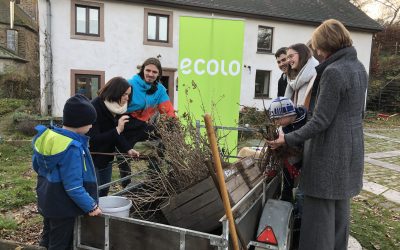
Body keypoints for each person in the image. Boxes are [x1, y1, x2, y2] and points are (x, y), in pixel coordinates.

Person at [267, 19, 368, 250]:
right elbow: (356, 112)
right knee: (339, 218)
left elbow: (321, 120)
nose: (318, 52)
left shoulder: (333, 72)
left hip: (328, 156)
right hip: (350, 153)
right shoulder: (359, 67)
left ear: (328, 43)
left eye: (319, 46)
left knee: (318, 223)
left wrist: (288, 138)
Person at [32, 94, 102, 250]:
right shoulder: (72, 148)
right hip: (63, 206)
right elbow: (73, 186)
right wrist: (91, 206)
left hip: (47, 198)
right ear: (80, 123)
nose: (91, 126)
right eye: (90, 123)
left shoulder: (48, 137)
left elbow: (36, 166)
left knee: (48, 235)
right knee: (61, 243)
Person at [119, 57, 176, 187]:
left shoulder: (160, 90)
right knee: (122, 153)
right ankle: (125, 185)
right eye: (148, 70)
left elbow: (168, 111)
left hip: (143, 125)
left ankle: (154, 173)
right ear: (142, 70)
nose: (150, 74)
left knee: (166, 136)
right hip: (127, 123)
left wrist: (173, 126)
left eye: (154, 72)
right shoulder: (130, 84)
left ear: (159, 74)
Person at [87, 77, 140, 197]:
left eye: (128, 94)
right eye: (125, 94)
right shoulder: (94, 108)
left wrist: (128, 149)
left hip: (107, 158)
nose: (127, 98)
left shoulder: (117, 107)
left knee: (104, 191)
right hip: (92, 158)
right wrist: (117, 129)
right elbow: (93, 140)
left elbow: (117, 134)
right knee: (95, 193)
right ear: (115, 93)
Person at [269, 97, 306, 213]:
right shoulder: (286, 126)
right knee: (287, 183)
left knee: (302, 193)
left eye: (278, 119)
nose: (276, 122)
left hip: (307, 161)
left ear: (287, 114)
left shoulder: (307, 120)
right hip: (291, 160)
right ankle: (286, 205)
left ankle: (300, 217)